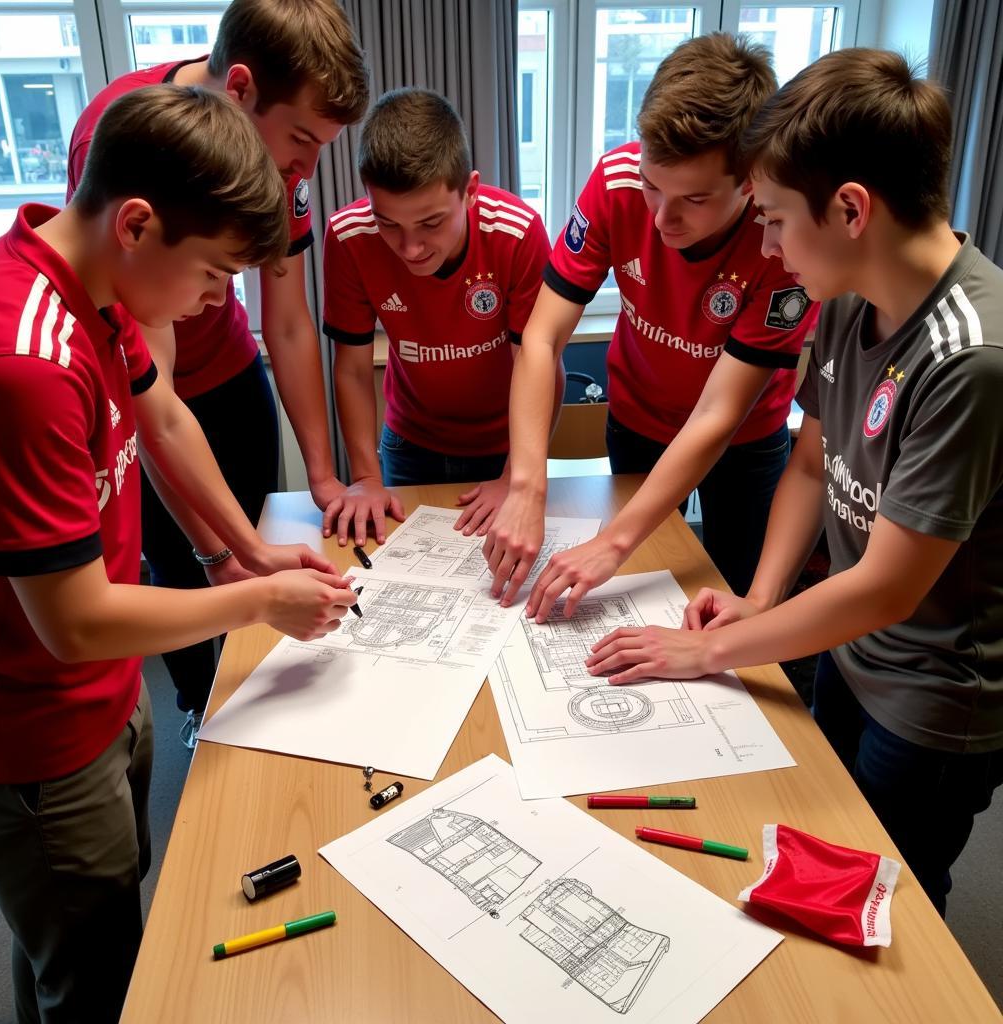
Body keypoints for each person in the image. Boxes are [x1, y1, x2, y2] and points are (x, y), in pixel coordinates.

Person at [586, 49, 1003, 916]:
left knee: (891, 900)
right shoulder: (849, 291)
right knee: (822, 860)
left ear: (852, 209)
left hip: (931, 700)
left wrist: (706, 650)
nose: (767, 247)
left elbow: (886, 587)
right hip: (847, 656)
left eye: (774, 219)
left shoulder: (972, 357)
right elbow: (811, 462)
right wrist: (761, 600)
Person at [0, 85, 357, 1024]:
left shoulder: (97, 283)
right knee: (95, 973)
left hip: (105, 698)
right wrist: (254, 603)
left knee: (80, 926)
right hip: (38, 730)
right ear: (139, 224)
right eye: (212, 276)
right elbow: (75, 622)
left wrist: (255, 552)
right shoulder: (24, 365)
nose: (210, 301)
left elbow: (166, 417)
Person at [66, 0, 368, 743]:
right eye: (299, 138)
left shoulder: (285, 166)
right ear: (238, 90)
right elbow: (152, 398)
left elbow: (288, 321)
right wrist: (218, 552)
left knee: (252, 563)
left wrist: (322, 483)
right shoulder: (137, 139)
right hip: (149, 386)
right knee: (196, 575)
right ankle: (208, 722)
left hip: (227, 374)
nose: (306, 168)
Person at [484, 33, 818, 617]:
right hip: (638, 420)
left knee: (735, 597)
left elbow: (719, 414)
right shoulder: (615, 183)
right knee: (634, 586)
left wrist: (611, 542)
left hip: (741, 440)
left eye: (693, 198)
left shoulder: (781, 239)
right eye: (652, 185)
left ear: (748, 182)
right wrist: (526, 484)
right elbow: (541, 337)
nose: (663, 216)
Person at [321, 87, 557, 547]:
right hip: (410, 443)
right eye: (389, 223)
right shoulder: (349, 237)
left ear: (469, 191)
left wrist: (517, 475)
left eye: (430, 223)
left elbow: (541, 360)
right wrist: (366, 478)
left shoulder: (517, 232)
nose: (411, 248)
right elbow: (350, 368)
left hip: (508, 444)